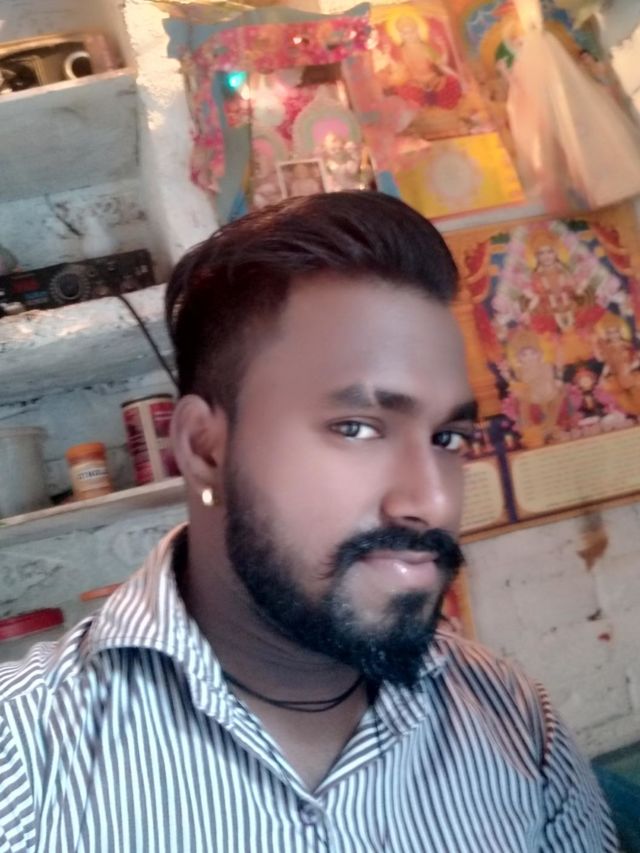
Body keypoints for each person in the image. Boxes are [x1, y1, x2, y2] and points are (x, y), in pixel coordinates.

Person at [0, 192, 616, 851]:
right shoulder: (23, 755)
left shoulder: (516, 720)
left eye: (448, 438)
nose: (432, 502)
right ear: (205, 449)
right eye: (356, 428)